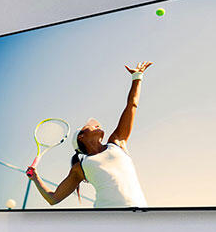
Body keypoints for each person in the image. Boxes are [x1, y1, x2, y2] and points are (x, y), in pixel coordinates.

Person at [28, 62, 153, 208]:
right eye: (90, 125)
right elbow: (53, 198)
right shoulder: (80, 167)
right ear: (81, 136)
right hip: (105, 219)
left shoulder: (117, 142)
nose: (96, 125)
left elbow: (131, 105)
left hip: (140, 214)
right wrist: (35, 177)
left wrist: (137, 77)